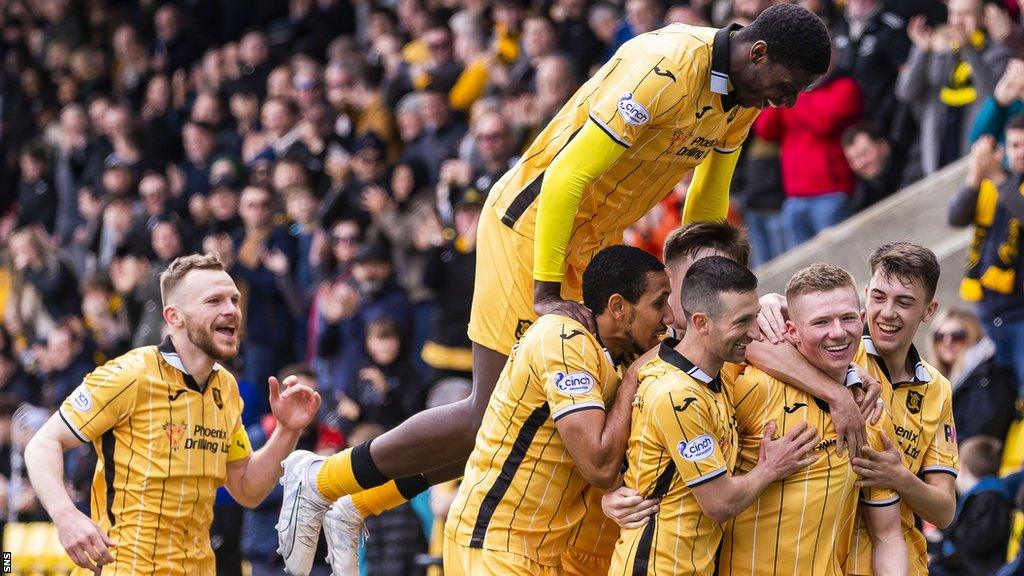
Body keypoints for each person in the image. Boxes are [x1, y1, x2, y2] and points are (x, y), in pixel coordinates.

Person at [278, 7, 832, 571]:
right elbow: (567, 176)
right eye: (787, 89)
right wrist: (546, 292)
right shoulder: (666, 66)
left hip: (593, 249)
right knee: (487, 414)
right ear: (758, 53)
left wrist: (701, 299)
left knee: (560, 416)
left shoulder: (737, 101)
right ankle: (321, 479)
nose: (785, 104)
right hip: (533, 231)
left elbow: (705, 212)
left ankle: (357, 502)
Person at [23, 253, 321, 575]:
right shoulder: (131, 374)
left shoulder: (227, 389)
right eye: (214, 300)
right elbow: (42, 444)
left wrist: (287, 430)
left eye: (234, 299)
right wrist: (65, 515)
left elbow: (246, 487)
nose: (231, 310)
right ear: (175, 316)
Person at [443, 245, 670, 576]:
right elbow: (597, 463)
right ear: (618, 307)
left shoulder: (619, 355)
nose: (667, 317)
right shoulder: (564, 340)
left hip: (544, 554)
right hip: (495, 543)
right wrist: (634, 378)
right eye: (658, 304)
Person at [754, 242, 958, 575]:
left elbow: (944, 510)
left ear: (928, 310)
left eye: (904, 302)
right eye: (878, 297)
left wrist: (900, 478)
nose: (888, 312)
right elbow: (756, 340)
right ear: (865, 296)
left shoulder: (937, 389)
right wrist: (838, 394)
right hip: (828, 560)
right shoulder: (835, 350)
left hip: (901, 559)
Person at [607, 256, 820, 575]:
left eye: (756, 317)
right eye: (741, 322)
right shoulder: (677, 395)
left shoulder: (709, 372)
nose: (755, 333)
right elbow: (719, 503)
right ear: (701, 323)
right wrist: (771, 467)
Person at [718, 263, 906, 575]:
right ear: (790, 330)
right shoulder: (751, 385)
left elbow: (887, 535)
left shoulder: (870, 410)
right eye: (821, 322)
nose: (838, 332)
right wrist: (616, 489)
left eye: (847, 318)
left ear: (862, 320)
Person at [949, 116, 1024, 396]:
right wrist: (974, 175)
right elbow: (955, 217)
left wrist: (997, 178)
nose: (1021, 151)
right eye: (1015, 144)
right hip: (987, 310)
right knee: (990, 399)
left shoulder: (1000, 180)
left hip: (1021, 312)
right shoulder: (992, 182)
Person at [927, 308, 1016, 444]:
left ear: (973, 336)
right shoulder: (940, 379)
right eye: (940, 336)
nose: (947, 341)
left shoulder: (987, 376)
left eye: (957, 336)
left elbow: (979, 431)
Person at [931, 436, 1011, 576]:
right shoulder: (979, 496)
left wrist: (942, 559)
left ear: (962, 468)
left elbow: (974, 545)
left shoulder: (990, 498)